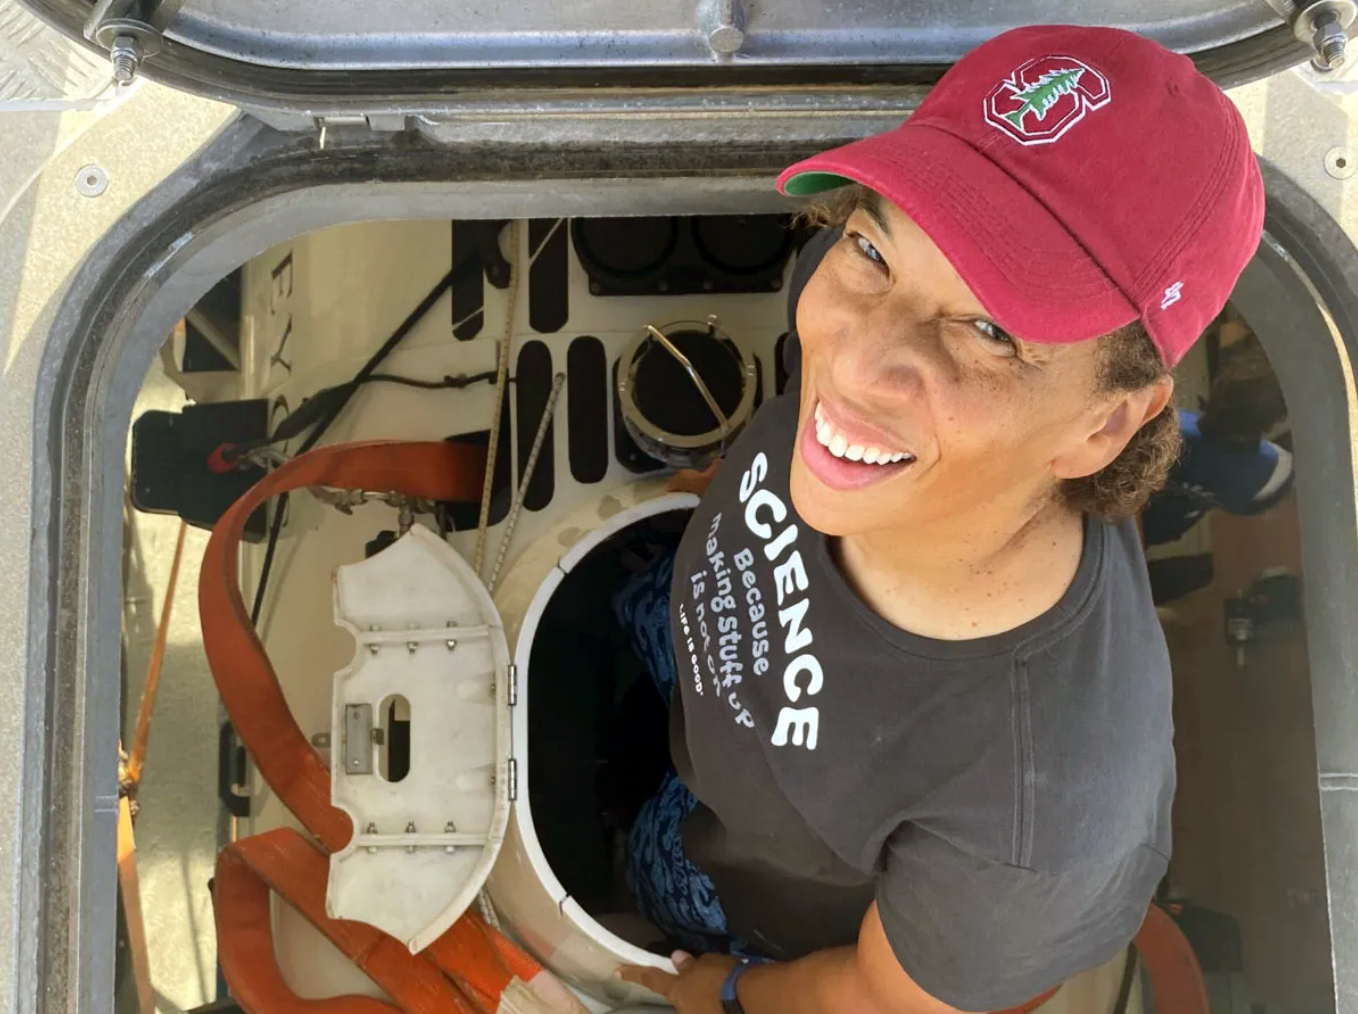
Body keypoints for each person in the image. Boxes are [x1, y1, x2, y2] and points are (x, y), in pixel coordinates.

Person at [616, 24, 1264, 1014]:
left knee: (632, 867)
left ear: (1102, 424)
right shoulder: (860, 331)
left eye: (992, 329)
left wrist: (730, 995)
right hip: (700, 650)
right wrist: (715, 489)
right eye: (874, 245)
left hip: (737, 870)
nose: (854, 355)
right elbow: (831, 381)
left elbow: (875, 995)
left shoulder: (1035, 831)